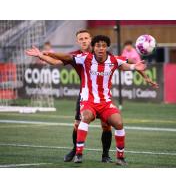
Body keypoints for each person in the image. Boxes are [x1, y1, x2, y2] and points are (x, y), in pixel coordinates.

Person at [26, 35, 146, 166]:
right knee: (84, 119)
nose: (101, 48)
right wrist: (45, 54)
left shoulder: (113, 59)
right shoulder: (84, 58)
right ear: (93, 47)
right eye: (98, 46)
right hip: (87, 99)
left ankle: (118, 157)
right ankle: (78, 153)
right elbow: (65, 58)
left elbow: (128, 66)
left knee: (117, 123)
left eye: (103, 46)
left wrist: (137, 69)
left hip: (105, 102)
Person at [28, 30, 113, 163]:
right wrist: (40, 55)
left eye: (86, 38)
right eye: (81, 39)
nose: (84, 40)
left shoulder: (101, 51)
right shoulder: (76, 55)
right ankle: (75, 150)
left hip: (103, 96)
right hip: (85, 94)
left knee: (106, 125)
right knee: (77, 124)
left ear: (91, 39)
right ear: (77, 41)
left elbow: (117, 63)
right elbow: (55, 62)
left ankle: (105, 155)